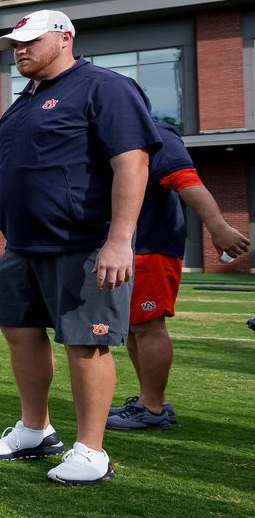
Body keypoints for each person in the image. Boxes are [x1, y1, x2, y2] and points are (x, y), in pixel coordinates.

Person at [0, 9, 161, 485]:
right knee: (19, 332)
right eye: (15, 44)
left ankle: (91, 450)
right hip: (23, 246)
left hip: (83, 243)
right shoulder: (19, 106)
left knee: (86, 341)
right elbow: (5, 176)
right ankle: (35, 431)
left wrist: (119, 241)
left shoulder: (104, 87)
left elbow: (132, 164)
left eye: (32, 41)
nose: (21, 50)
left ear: (64, 38)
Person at [107, 118, 250, 430]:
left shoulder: (153, 131)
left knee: (147, 326)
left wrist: (219, 227)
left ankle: (153, 408)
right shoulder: (117, 132)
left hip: (151, 245)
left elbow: (186, 179)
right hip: (131, 245)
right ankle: (149, 401)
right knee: (133, 327)